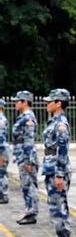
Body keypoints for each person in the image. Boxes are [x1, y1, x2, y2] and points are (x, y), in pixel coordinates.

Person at [42, 89, 72, 237]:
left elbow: (62, 150)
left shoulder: (60, 124)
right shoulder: (54, 121)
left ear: (58, 103)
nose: (47, 104)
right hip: (50, 167)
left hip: (56, 170)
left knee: (59, 206)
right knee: (55, 206)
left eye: (50, 101)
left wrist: (59, 174)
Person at [11, 91, 40, 224]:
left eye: (18, 101)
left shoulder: (28, 118)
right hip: (22, 155)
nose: (15, 103)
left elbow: (29, 140)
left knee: (29, 185)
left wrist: (28, 159)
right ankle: (29, 210)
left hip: (26, 156)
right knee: (25, 185)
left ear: (24, 102)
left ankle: (31, 213)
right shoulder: (23, 116)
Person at [0, 99, 9, 204]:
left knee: (2, 173)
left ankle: (4, 195)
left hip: (1, 150)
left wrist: (1, 155)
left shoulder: (1, 120)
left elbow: (1, 138)